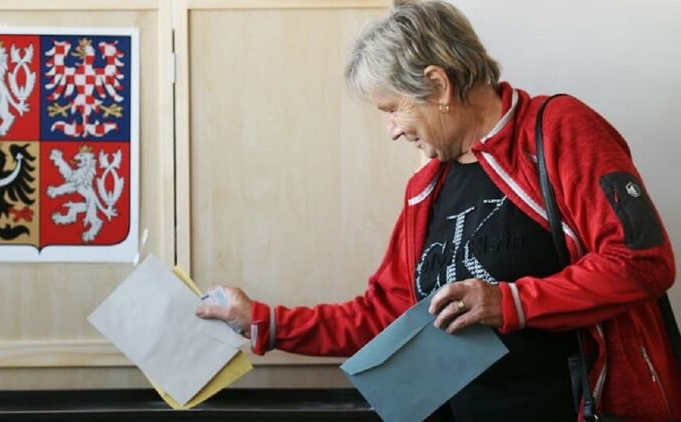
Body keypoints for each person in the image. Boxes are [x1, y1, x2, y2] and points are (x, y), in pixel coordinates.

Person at [195, 1, 681, 420]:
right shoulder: (426, 187)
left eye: (392, 109)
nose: (391, 130)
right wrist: (263, 321)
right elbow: (385, 314)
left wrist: (510, 302)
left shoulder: (559, 130)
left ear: (438, 85)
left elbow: (643, 262)